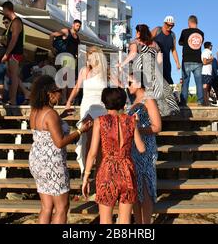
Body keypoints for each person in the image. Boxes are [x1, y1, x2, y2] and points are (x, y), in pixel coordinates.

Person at [29, 75, 93, 224]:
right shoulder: (50, 114)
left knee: (46, 206)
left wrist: (61, 116)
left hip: (37, 161)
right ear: (49, 93)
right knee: (62, 207)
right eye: (58, 91)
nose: (60, 94)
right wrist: (80, 131)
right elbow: (59, 142)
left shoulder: (35, 111)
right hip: (52, 164)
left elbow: (45, 128)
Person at [82, 88, 145, 225]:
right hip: (127, 171)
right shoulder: (131, 121)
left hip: (107, 172)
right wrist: (136, 125)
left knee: (105, 220)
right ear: (123, 103)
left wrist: (86, 176)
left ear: (105, 103)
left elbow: (92, 152)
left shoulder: (100, 121)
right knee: (125, 221)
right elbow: (141, 148)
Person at [119, 24, 180, 117]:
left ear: (138, 32)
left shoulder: (135, 42)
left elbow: (133, 53)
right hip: (154, 70)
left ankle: (145, 115)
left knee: (142, 93)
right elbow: (160, 60)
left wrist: (122, 64)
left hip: (141, 71)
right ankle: (162, 113)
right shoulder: (154, 44)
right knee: (159, 92)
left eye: (136, 32)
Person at [65, 46, 108, 174]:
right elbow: (77, 87)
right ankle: (86, 171)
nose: (89, 59)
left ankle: (99, 172)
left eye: (91, 56)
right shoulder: (84, 71)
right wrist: (69, 101)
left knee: (100, 141)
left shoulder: (106, 71)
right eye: (88, 56)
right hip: (87, 107)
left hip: (101, 107)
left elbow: (119, 86)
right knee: (85, 140)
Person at [127, 75, 162, 225]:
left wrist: (137, 129)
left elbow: (157, 126)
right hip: (132, 148)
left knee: (146, 187)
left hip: (146, 148)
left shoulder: (148, 99)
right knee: (135, 187)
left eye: (130, 82)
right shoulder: (132, 101)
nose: (127, 85)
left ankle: (146, 224)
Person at [1, 1, 27, 105]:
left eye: (3, 10)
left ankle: (13, 99)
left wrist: (7, 53)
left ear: (7, 9)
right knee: (12, 75)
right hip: (13, 52)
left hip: (15, 53)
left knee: (14, 77)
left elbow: (14, 39)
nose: (3, 12)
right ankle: (25, 93)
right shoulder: (14, 22)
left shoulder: (16, 22)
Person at [50, 20, 82, 96]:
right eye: (77, 25)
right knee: (65, 76)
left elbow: (77, 49)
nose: (78, 27)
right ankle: (64, 97)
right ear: (73, 25)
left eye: (79, 26)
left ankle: (68, 98)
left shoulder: (77, 37)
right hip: (65, 56)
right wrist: (51, 47)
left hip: (73, 58)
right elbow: (52, 35)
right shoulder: (66, 31)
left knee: (70, 79)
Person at [179, 15, 205, 106]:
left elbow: (180, 42)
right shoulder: (201, 33)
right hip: (198, 61)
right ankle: (200, 102)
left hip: (186, 60)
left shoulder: (184, 31)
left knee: (185, 83)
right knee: (199, 83)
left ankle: (183, 103)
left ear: (189, 22)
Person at [151, 16, 181, 85]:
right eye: (168, 25)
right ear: (164, 23)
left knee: (168, 83)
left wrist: (177, 63)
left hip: (166, 63)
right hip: (155, 60)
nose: (170, 27)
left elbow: (173, 50)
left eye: (172, 25)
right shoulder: (157, 30)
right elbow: (147, 41)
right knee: (156, 82)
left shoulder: (172, 35)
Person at [201, 42, 214, 106]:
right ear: (209, 46)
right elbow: (204, 62)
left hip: (207, 72)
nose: (212, 47)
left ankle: (206, 101)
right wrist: (211, 60)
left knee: (207, 87)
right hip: (206, 72)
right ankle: (205, 102)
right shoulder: (207, 51)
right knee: (205, 87)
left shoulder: (205, 51)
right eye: (211, 45)